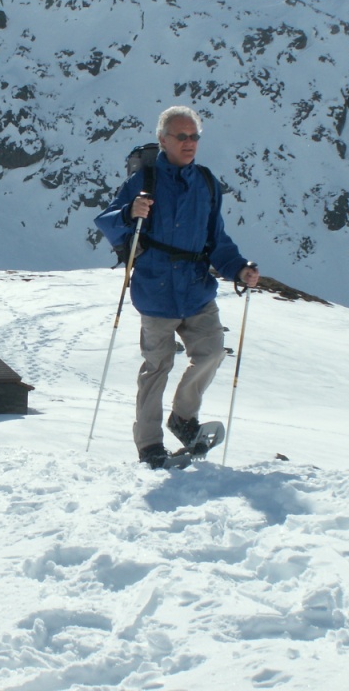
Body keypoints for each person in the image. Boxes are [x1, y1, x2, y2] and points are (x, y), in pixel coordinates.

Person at [95, 105, 260, 468]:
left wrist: (239, 269)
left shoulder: (206, 183)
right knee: (157, 367)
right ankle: (149, 445)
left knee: (212, 352)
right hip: (155, 290)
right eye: (181, 136)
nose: (189, 143)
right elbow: (107, 221)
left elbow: (217, 240)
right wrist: (130, 212)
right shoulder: (144, 181)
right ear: (163, 140)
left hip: (196, 290)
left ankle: (183, 418)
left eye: (194, 136)